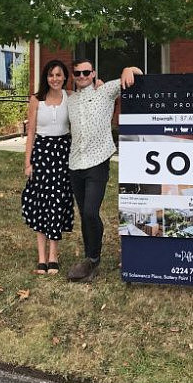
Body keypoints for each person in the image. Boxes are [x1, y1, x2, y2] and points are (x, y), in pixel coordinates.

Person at [66, 58, 143, 282]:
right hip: (75, 163)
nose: (82, 76)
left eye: (86, 72)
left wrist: (128, 67)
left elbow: (136, 74)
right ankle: (90, 258)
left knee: (91, 211)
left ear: (93, 73)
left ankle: (94, 258)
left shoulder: (105, 91)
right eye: (78, 73)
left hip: (98, 162)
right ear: (73, 76)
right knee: (84, 213)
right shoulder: (69, 99)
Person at [22, 59, 74, 276]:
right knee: (41, 204)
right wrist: (28, 162)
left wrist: (98, 82)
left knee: (57, 203)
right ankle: (41, 258)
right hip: (42, 154)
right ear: (46, 77)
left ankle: (54, 256)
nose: (55, 79)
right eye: (51, 75)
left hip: (63, 153)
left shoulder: (70, 97)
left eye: (59, 75)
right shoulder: (36, 100)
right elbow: (31, 132)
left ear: (64, 77)